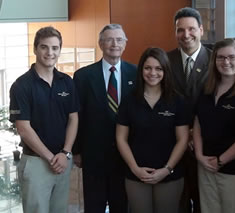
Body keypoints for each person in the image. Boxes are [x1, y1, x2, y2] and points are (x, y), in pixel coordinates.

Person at [9, 26, 79, 213]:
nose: (50, 52)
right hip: (37, 163)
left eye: (55, 48)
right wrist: (51, 158)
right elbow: (23, 128)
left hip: (63, 160)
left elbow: (73, 118)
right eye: (44, 47)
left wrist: (65, 153)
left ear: (59, 50)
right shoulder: (21, 85)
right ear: (35, 49)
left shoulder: (67, 81)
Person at [116, 47, 190, 213]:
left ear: (165, 71)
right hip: (136, 174)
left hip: (170, 175)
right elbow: (121, 138)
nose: (153, 73)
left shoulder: (177, 101)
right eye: (148, 68)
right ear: (141, 69)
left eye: (158, 68)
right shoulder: (129, 100)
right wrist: (135, 168)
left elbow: (183, 139)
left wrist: (166, 169)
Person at [72, 24, 137, 213]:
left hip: (126, 156)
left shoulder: (136, 73)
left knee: (122, 206)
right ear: (100, 44)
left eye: (119, 39)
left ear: (125, 43)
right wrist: (77, 151)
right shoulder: (83, 76)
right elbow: (77, 116)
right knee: (94, 206)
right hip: (93, 157)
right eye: (109, 39)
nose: (114, 44)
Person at [193, 38, 235, 213]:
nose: (226, 62)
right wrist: (199, 156)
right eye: (220, 57)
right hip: (205, 167)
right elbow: (198, 123)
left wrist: (221, 161)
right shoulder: (206, 89)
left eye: (232, 57)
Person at [167, 7, 212, 213]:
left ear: (202, 30)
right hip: (172, 145)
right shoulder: (165, 61)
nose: (186, 35)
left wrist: (197, 131)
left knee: (204, 203)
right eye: (180, 30)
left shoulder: (216, 61)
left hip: (206, 146)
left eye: (192, 29)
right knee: (177, 203)